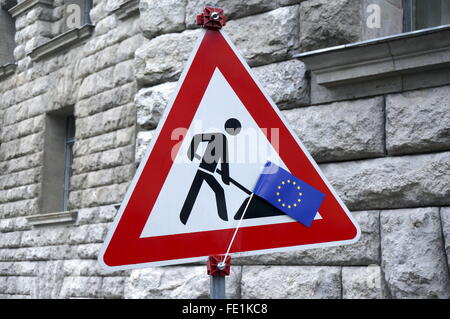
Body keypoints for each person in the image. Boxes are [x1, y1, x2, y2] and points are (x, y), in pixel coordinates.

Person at [179, 118, 242, 225]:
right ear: (231, 129)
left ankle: (183, 217)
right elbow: (197, 137)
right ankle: (224, 221)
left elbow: (224, 161)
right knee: (218, 191)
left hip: (208, 171)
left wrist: (225, 177)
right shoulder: (218, 136)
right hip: (204, 170)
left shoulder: (223, 139)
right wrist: (191, 152)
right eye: (236, 130)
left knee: (195, 192)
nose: (236, 133)